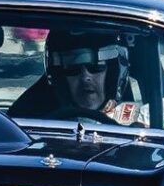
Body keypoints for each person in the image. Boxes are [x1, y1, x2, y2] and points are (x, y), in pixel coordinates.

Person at [10, 29, 140, 124]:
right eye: (72, 70)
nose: (85, 77)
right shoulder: (27, 117)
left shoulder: (139, 119)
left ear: (112, 74)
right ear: (60, 79)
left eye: (96, 67)